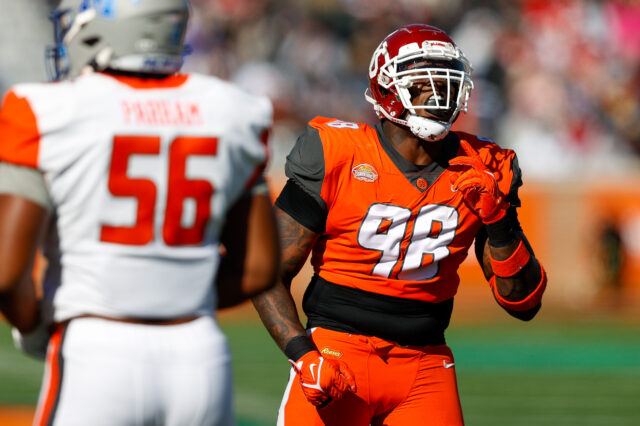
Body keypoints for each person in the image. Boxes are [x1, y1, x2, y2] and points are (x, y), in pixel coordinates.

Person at [252, 24, 547, 425]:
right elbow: (266, 271)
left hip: (425, 365)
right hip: (338, 352)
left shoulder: (486, 164)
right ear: (389, 89)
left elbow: (524, 304)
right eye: (424, 80)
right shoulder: (337, 153)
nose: (440, 92)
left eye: (446, 79)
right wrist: (304, 355)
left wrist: (499, 219)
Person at [0, 1, 280, 425]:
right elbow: (259, 268)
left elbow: (6, 274)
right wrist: (180, 300)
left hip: (96, 349)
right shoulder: (233, 110)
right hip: (199, 354)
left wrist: (37, 324)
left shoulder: (45, 109)